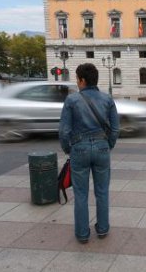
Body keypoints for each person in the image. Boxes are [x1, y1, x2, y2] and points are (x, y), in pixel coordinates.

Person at [59, 63, 120, 244]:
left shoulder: (72, 100)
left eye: (77, 79)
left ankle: (82, 234)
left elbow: (64, 131)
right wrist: (108, 144)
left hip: (80, 148)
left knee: (81, 194)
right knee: (102, 192)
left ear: (82, 80)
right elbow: (115, 129)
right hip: (101, 148)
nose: (77, 83)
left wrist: (68, 148)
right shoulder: (107, 99)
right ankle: (102, 229)